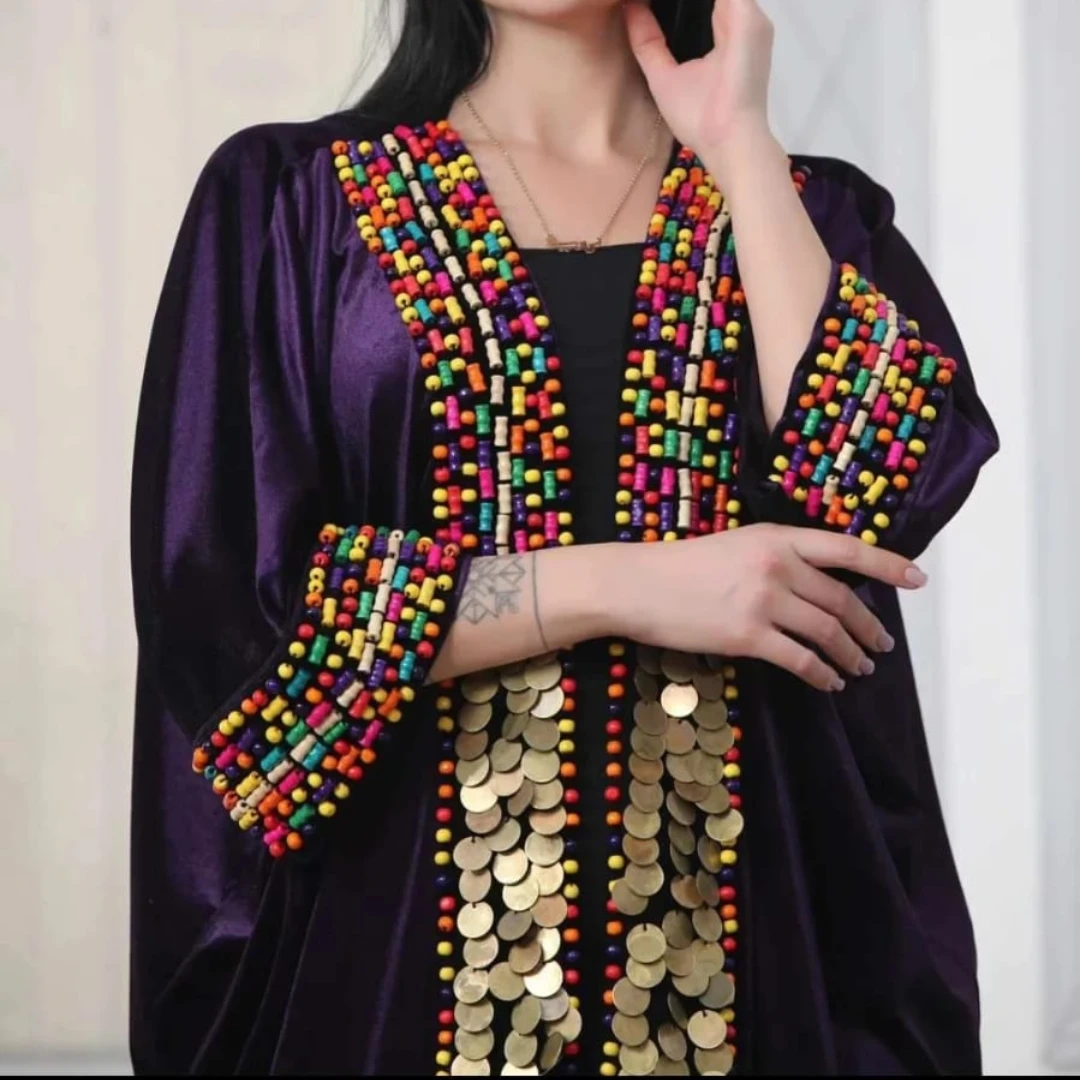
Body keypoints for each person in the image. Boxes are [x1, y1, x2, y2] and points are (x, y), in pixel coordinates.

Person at [129, 0, 998, 1074]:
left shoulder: (807, 208)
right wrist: (619, 586)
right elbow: (230, 620)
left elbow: (878, 498)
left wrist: (741, 147)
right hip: (395, 965)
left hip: (768, 951)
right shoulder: (291, 200)